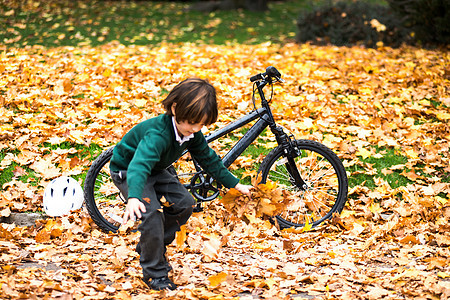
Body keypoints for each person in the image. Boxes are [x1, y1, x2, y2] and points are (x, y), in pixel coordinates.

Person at [109, 78, 252, 291]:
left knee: (185, 203)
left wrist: (236, 184)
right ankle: (155, 274)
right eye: (192, 122)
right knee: (152, 214)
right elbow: (139, 166)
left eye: (202, 124)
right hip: (129, 170)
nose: (196, 129)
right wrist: (134, 196)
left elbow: (208, 159)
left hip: (156, 170)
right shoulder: (157, 135)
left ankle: (150, 245)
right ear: (175, 109)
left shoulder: (191, 132)